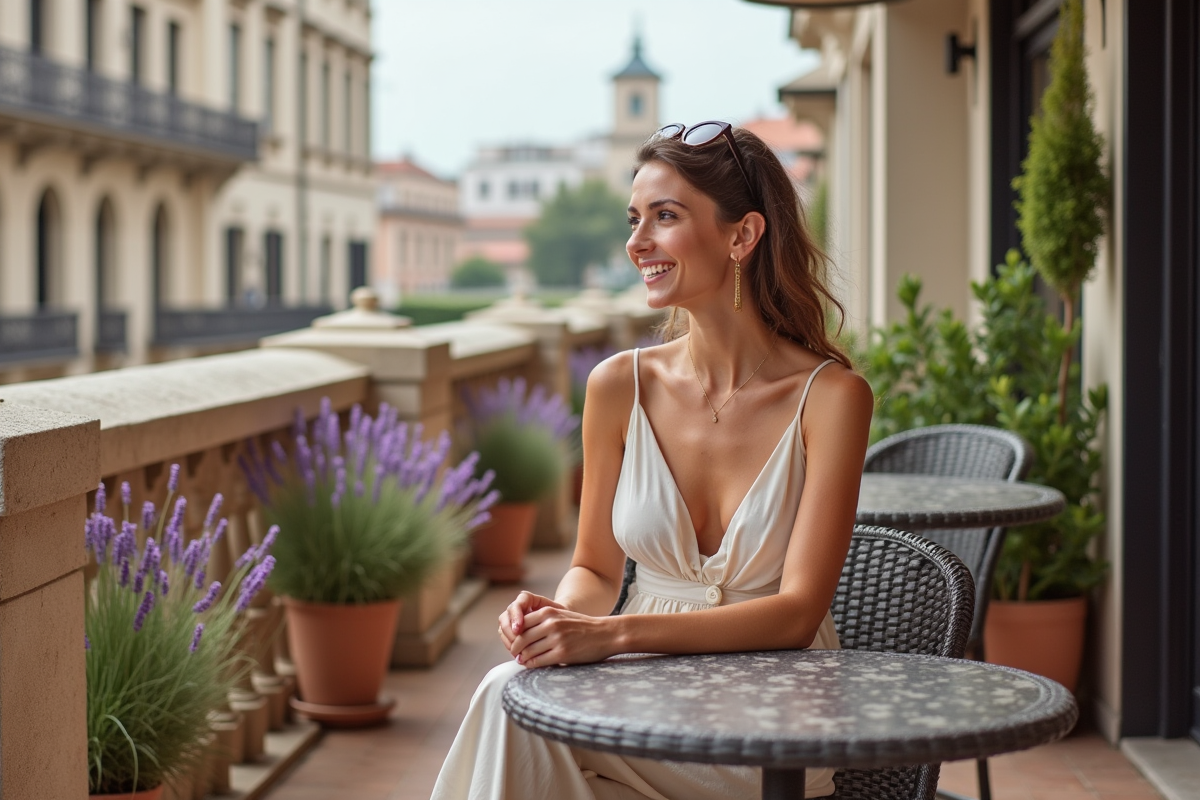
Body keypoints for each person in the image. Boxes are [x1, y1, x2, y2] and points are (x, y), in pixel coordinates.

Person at [431, 122, 874, 800]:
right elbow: (594, 568)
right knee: (512, 692)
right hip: (637, 688)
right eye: (634, 219)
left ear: (742, 236)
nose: (637, 243)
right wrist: (558, 622)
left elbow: (796, 612)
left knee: (509, 717)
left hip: (771, 716)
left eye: (664, 218)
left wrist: (609, 637)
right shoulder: (617, 386)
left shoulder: (831, 398)